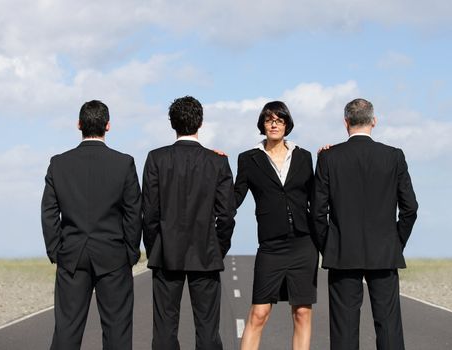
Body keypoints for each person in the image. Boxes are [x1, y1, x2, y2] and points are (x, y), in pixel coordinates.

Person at [312, 98, 419, 350]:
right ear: (374, 121)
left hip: (343, 252)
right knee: (389, 325)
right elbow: (410, 208)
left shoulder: (329, 157)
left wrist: (329, 246)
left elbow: (317, 212)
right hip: (384, 251)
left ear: (345, 122)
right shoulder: (394, 156)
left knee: (344, 328)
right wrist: (395, 242)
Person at [41, 100, 142, 350]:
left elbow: (49, 212)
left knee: (67, 330)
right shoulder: (124, 163)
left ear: (79, 125)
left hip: (72, 256)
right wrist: (130, 252)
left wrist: (56, 250)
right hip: (114, 255)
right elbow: (133, 212)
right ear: (108, 126)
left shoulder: (59, 163)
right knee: (117, 331)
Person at [142, 95, 236, 350]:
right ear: (201, 123)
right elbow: (226, 214)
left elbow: (149, 212)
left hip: (166, 251)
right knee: (207, 329)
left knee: (164, 328)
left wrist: (155, 248)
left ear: (172, 123)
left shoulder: (156, 159)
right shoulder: (217, 161)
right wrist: (218, 247)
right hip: (205, 251)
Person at [235, 101, 318, 350]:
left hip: (304, 244)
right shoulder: (248, 159)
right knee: (259, 314)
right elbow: (234, 197)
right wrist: (215, 165)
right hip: (270, 246)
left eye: (279, 120)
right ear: (262, 124)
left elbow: (318, 197)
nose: (274, 123)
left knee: (302, 313)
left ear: (286, 125)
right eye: (269, 119)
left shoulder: (304, 156)